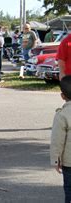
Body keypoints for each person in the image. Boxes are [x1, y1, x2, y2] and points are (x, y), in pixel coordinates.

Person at [50, 75, 71, 203]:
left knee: (69, 189)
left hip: (69, 162)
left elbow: (57, 140)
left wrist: (56, 159)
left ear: (62, 96)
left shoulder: (62, 115)